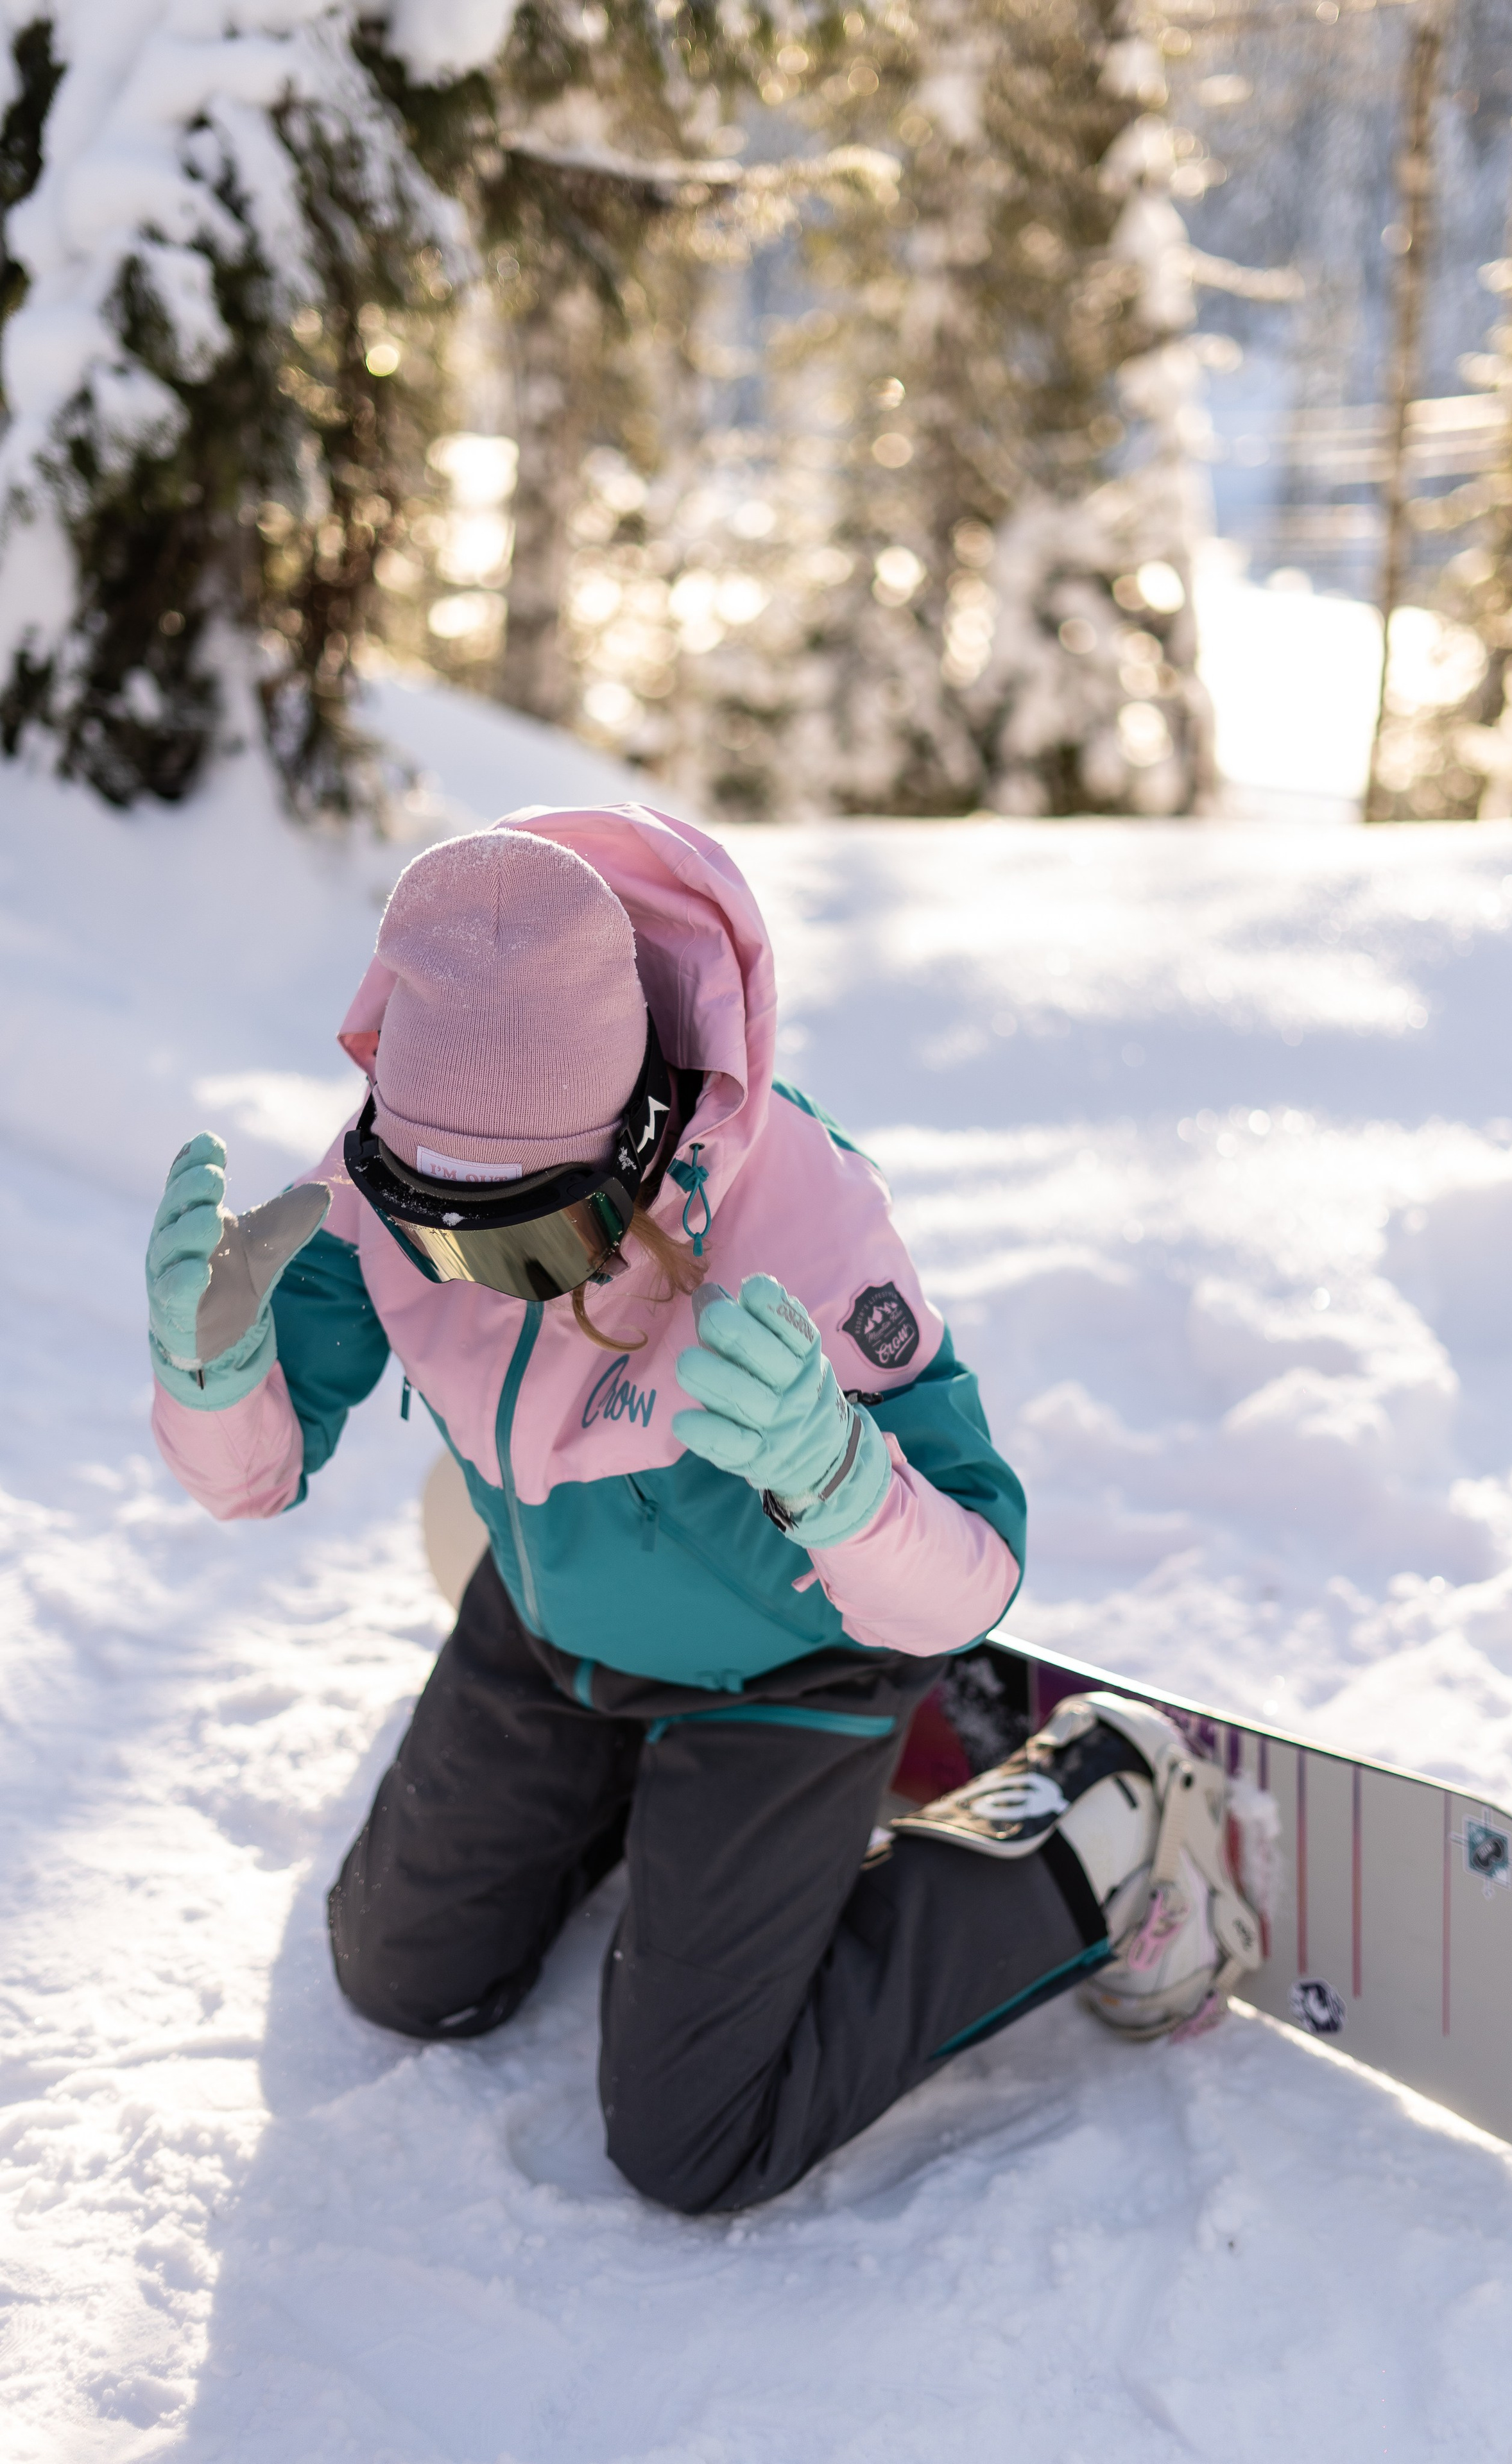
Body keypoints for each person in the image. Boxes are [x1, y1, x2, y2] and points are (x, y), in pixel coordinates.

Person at [144, 806, 1259, 2213]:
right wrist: (206, 1378)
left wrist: (836, 1473)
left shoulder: (794, 1208)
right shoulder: (384, 1181)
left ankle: (1095, 1822)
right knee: (400, 1978)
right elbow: (256, 1472)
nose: (483, 1280)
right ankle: (622, 1789)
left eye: (533, 1236)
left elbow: (975, 1575)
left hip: (779, 1666)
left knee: (694, 2142)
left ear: (634, 1143)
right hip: (552, 1631)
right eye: (438, 1230)